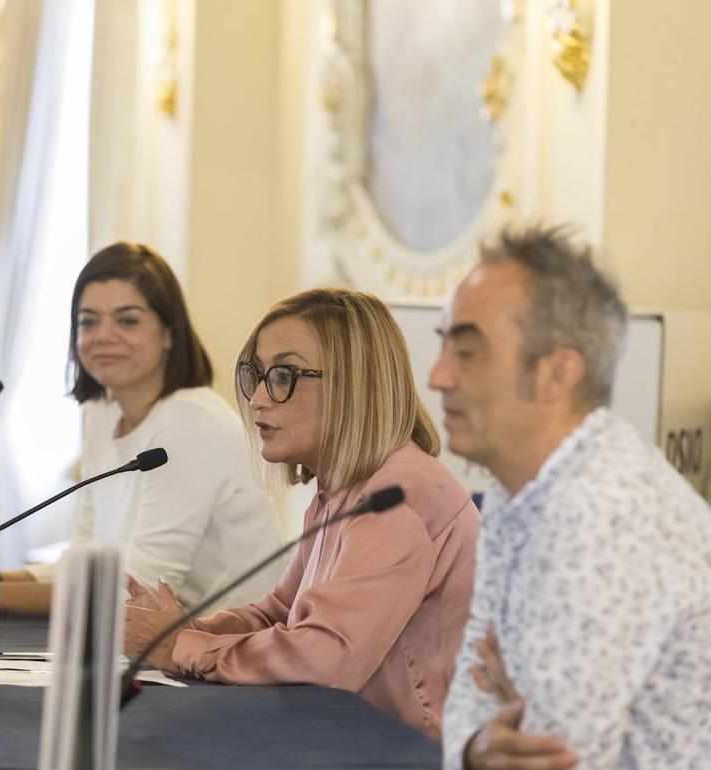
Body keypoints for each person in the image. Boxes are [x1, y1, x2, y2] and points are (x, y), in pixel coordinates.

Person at [432, 225, 711, 769]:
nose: (437, 375)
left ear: (556, 374)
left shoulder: (603, 514)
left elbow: (552, 757)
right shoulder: (517, 487)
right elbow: (477, 672)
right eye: (443, 345)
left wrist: (515, 692)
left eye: (468, 352)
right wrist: (476, 748)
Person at [123, 287, 481, 740]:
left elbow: (324, 659)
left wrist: (180, 648)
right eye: (257, 375)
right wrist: (185, 630)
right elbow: (282, 613)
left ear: (356, 383)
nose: (257, 400)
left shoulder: (398, 499)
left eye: (284, 375)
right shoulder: (345, 490)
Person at [0, 242, 284, 615]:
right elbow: (86, 561)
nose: (103, 335)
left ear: (169, 333)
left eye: (127, 320)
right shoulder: (100, 413)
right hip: (155, 647)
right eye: (88, 321)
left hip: (229, 650)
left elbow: (142, 591)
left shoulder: (191, 422)